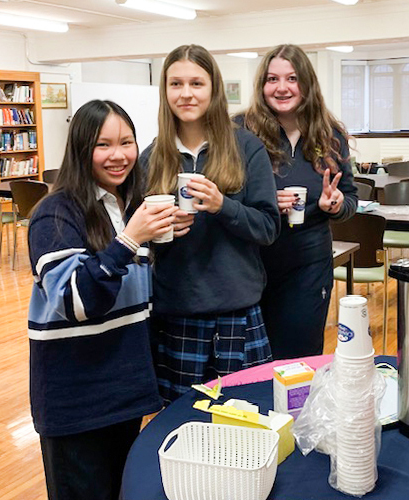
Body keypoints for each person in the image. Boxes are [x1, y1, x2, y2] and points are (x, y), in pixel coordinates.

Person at [26, 100, 177, 499]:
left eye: (126, 142)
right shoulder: (55, 214)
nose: (118, 155)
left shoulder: (129, 206)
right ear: (81, 149)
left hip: (124, 392)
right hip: (75, 402)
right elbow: (75, 302)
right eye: (103, 144)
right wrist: (129, 240)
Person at [142, 44, 279, 404]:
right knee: (180, 421)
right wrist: (156, 232)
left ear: (214, 89)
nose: (186, 94)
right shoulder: (152, 157)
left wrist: (223, 206)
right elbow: (134, 237)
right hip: (175, 314)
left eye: (196, 83)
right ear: (165, 91)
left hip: (236, 312)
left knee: (246, 419)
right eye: (176, 84)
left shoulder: (246, 148)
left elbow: (268, 228)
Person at [235, 44, 358, 359]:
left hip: (308, 266)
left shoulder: (330, 135)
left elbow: (350, 199)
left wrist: (336, 205)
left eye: (292, 78)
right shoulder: (239, 131)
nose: (282, 87)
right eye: (272, 79)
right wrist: (262, 202)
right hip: (250, 265)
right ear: (262, 85)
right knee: (251, 362)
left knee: (299, 358)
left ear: (307, 84)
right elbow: (224, 196)